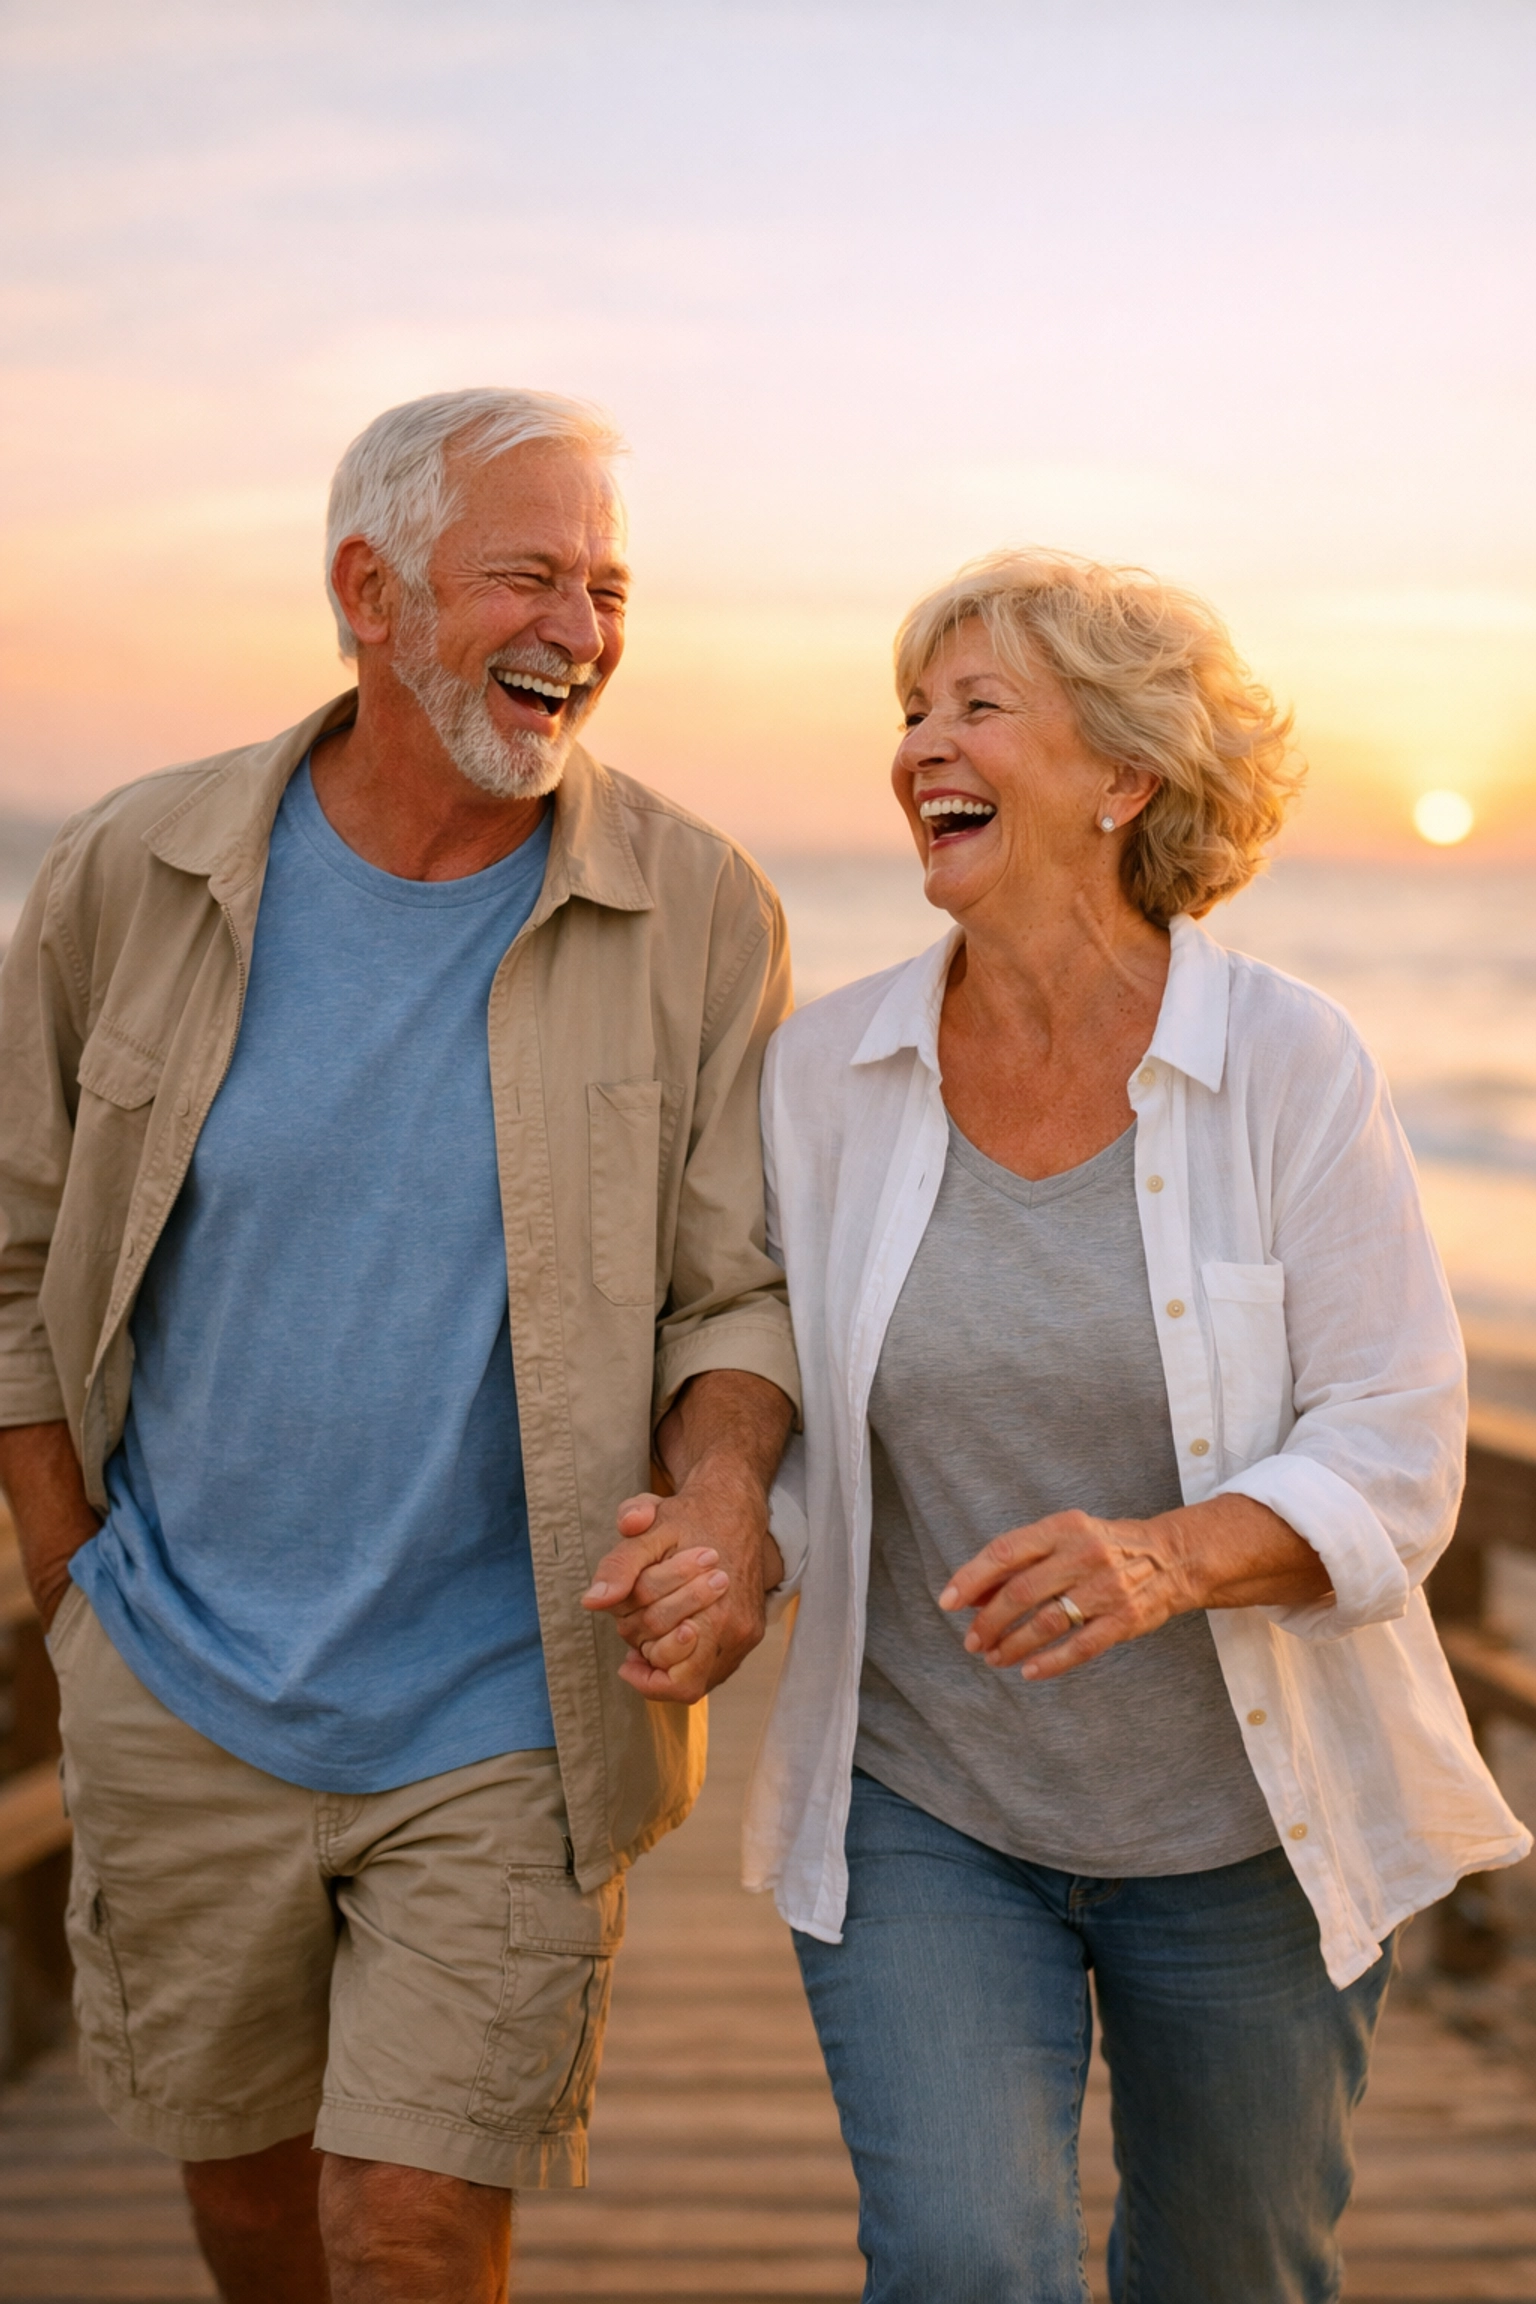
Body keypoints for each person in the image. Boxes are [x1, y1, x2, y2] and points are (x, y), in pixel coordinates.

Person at [0, 387, 797, 2304]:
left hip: (509, 1707)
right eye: (529, 575)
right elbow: (12, 1248)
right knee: (258, 2206)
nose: (583, 633)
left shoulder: (696, 911)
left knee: (416, 2226)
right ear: (368, 590)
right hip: (180, 1675)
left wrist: (722, 1494)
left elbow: (739, 1288)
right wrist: (65, 1582)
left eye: (610, 589)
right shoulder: (137, 874)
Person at [745, 548, 1530, 2303]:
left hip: (1247, 1827)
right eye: (915, 710)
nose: (921, 744)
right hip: (924, 1801)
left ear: (1124, 778)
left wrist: (1171, 1560)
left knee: (1234, 2271)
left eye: (979, 707)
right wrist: (724, 1530)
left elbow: (1402, 1438)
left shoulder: (1289, 1062)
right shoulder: (827, 1075)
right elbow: (783, 1397)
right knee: (961, 2261)